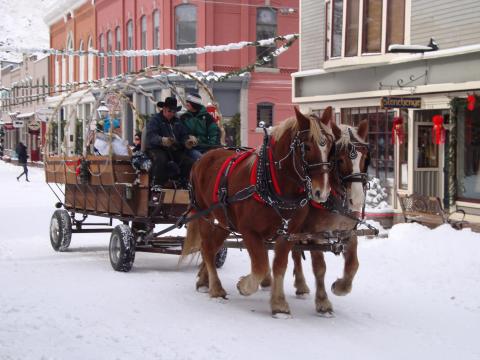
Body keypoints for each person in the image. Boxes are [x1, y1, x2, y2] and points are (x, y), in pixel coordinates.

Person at [146, 96, 194, 187]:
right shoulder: (155, 120)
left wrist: (187, 142)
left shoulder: (177, 122)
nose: (171, 113)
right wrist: (162, 140)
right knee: (161, 159)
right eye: (169, 111)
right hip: (157, 148)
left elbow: (183, 135)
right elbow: (151, 136)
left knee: (188, 162)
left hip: (173, 149)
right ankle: (157, 185)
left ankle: (185, 183)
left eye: (174, 111)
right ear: (164, 109)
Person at [180, 92, 220, 160]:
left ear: (195, 104)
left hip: (205, 148)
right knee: (200, 158)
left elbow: (214, 133)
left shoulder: (207, 118)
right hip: (190, 149)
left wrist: (211, 147)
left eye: (189, 102)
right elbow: (180, 133)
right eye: (187, 102)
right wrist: (188, 139)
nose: (186, 104)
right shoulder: (184, 117)